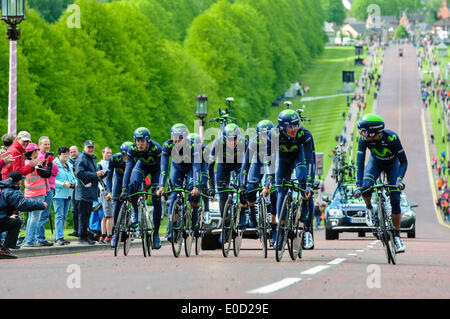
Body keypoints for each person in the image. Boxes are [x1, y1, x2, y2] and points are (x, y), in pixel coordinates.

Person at [354, 113, 408, 253]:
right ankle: (369, 209)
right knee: (366, 188)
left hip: (393, 167)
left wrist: (399, 180)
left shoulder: (392, 137)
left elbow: (404, 162)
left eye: (364, 131)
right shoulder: (363, 140)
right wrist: (358, 186)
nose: (361, 133)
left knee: (395, 200)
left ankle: (397, 236)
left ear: (373, 131)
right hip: (375, 164)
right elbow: (360, 163)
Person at [265, 109, 316, 250]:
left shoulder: (304, 134)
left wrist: (310, 184)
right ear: (282, 127)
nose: (294, 129)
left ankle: (307, 230)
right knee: (281, 191)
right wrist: (269, 178)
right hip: (283, 162)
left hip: (299, 160)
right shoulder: (273, 134)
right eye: (290, 126)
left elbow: (310, 160)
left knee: (304, 185)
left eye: (296, 125)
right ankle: (281, 232)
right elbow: (268, 159)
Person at [156, 124, 202, 245]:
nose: (176, 140)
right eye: (174, 137)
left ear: (185, 137)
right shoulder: (167, 145)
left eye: (180, 138)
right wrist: (161, 185)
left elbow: (197, 168)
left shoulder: (193, 146)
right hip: (177, 168)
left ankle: (195, 215)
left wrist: (196, 186)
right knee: (175, 194)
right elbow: (164, 168)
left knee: (194, 192)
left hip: (191, 168)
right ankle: (172, 228)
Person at [120, 128, 162, 248]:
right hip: (142, 167)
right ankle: (135, 211)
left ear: (147, 140)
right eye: (137, 141)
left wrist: (160, 185)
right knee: (132, 184)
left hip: (156, 171)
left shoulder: (156, 148)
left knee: (156, 199)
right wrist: (124, 189)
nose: (139, 144)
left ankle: (156, 234)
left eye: (142, 141)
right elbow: (128, 169)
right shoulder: (132, 149)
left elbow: (162, 167)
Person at [239, 120, 277, 244]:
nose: (264, 137)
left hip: (272, 165)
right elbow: (245, 164)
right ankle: (251, 213)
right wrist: (243, 183)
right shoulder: (254, 142)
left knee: (274, 192)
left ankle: (274, 225)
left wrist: (269, 182)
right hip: (258, 164)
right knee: (250, 188)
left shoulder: (276, 142)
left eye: (267, 134)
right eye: (262, 134)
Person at [207, 123, 249, 228]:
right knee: (222, 195)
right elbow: (210, 166)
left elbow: (250, 163)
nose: (232, 142)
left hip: (239, 165)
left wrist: (244, 183)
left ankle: (243, 214)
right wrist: (211, 186)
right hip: (223, 166)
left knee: (243, 190)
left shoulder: (244, 143)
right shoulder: (218, 143)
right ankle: (224, 221)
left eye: (235, 139)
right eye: (229, 139)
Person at [0, 172, 46, 259]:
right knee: (16, 222)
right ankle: (4, 249)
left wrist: (7, 216)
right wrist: (41, 205)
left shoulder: (2, 188)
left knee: (10, 221)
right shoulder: (11, 192)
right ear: (18, 181)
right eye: (21, 180)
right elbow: (23, 204)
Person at [22, 143, 53, 247]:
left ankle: (29, 239)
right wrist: (49, 163)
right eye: (37, 151)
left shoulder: (26, 162)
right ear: (34, 152)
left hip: (29, 193)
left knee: (31, 217)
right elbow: (47, 174)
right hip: (38, 193)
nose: (38, 152)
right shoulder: (34, 164)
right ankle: (30, 241)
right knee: (35, 218)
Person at [75, 140, 106, 245]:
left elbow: (92, 173)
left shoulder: (91, 158)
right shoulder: (82, 158)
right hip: (83, 192)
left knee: (87, 214)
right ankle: (82, 237)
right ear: (84, 147)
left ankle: (85, 236)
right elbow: (79, 173)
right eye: (89, 147)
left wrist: (99, 174)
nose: (91, 149)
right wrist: (95, 174)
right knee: (83, 215)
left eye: (92, 147)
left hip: (90, 191)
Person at [106, 141, 133, 247]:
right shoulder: (114, 159)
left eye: (128, 155)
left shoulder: (135, 159)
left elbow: (141, 175)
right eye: (124, 155)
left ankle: (131, 219)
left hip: (131, 181)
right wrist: (109, 192)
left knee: (134, 200)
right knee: (116, 206)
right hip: (118, 181)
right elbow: (108, 177)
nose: (126, 157)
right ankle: (115, 234)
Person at [35, 136, 59, 247]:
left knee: (43, 214)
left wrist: (51, 166)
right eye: (45, 144)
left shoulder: (48, 156)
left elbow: (56, 171)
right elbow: (51, 171)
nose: (47, 146)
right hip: (44, 188)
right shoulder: (39, 156)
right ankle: (39, 238)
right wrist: (50, 166)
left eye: (48, 144)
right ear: (39, 145)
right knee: (42, 214)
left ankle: (39, 237)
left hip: (50, 187)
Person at [53, 146, 76, 246]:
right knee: (59, 215)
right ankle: (58, 237)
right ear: (59, 155)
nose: (66, 156)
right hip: (58, 194)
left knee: (64, 216)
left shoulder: (69, 165)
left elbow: (74, 177)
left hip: (68, 194)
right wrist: (63, 184)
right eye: (64, 154)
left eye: (67, 154)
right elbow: (52, 180)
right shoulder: (54, 165)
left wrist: (75, 183)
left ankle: (59, 236)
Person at [97, 146, 113, 243]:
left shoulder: (112, 163)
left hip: (111, 189)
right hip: (105, 190)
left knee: (105, 215)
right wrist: (104, 190)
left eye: (110, 153)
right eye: (107, 153)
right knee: (109, 215)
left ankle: (103, 235)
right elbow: (99, 178)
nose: (109, 154)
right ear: (103, 153)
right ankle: (109, 235)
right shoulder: (100, 164)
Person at [68, 145, 80, 237]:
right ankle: (76, 230)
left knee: (83, 209)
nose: (72, 154)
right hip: (72, 188)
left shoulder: (81, 160)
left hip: (82, 188)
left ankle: (83, 229)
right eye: (71, 152)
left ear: (78, 151)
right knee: (74, 209)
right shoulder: (68, 162)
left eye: (74, 151)